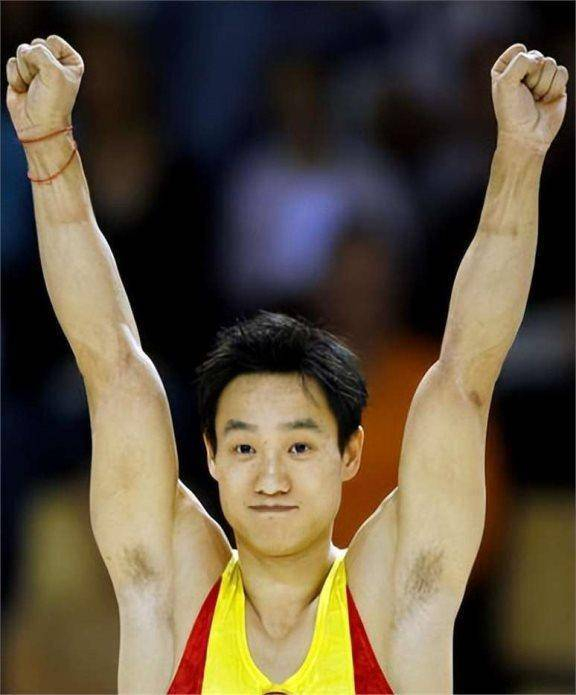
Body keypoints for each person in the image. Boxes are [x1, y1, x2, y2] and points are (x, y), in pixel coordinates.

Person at [6, 35, 568, 693]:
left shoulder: (394, 605)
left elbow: (467, 376)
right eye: (245, 447)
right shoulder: (171, 599)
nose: (271, 477)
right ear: (211, 456)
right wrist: (47, 147)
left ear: (349, 453)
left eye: (299, 446)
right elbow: (109, 365)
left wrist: (520, 157)